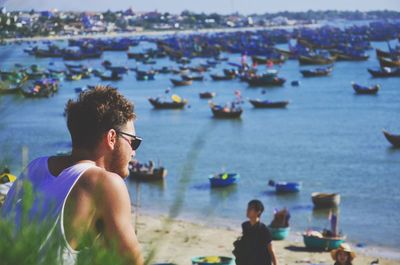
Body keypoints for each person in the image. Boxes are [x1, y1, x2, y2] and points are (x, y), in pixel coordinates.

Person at [1, 86, 144, 265]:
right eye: (133, 142)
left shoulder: (36, 166)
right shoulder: (104, 184)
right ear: (112, 138)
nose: (134, 153)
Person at [237, 199, 278, 265]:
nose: (247, 210)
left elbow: (271, 250)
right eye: (248, 208)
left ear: (258, 212)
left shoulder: (263, 229)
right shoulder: (245, 225)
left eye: (250, 208)